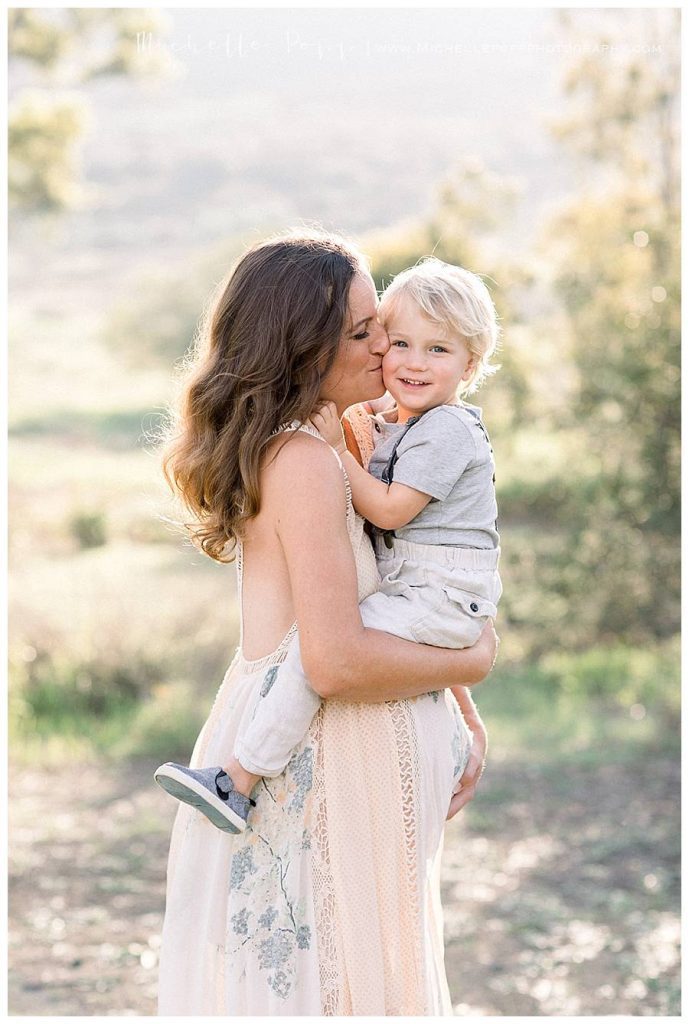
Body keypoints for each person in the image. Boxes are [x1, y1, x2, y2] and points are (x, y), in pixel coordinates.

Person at [155, 230, 498, 1015]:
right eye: (362, 332)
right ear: (304, 351)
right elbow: (336, 658)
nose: (385, 347)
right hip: (313, 766)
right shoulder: (304, 462)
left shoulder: (337, 441)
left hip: (352, 754)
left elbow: (392, 597)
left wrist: (458, 713)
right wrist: (472, 662)